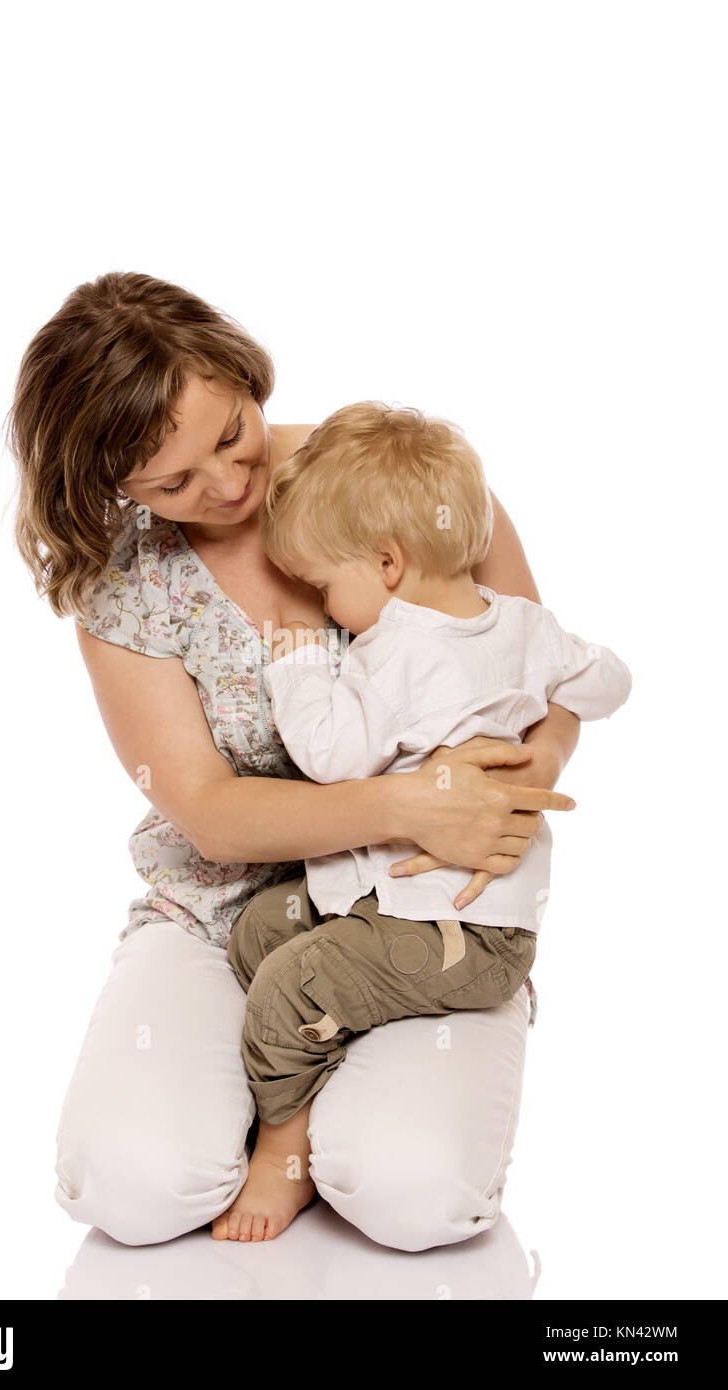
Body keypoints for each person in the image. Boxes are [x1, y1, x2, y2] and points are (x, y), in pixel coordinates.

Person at [8, 271, 581, 1251]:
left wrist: (498, 802)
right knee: (133, 1184)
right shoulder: (124, 580)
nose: (227, 486)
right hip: (226, 907)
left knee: (412, 1196)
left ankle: (317, 1104)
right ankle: (265, 1080)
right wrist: (410, 800)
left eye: (230, 435)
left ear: (242, 372)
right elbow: (210, 811)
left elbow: (545, 675)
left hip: (423, 900)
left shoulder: (397, 477)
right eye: (173, 483)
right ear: (116, 488)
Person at [224, 400, 632, 1239]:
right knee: (262, 928)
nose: (328, 610)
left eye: (327, 586)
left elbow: (330, 756)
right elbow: (611, 681)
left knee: (278, 988)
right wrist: (545, 727)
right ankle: (351, 1031)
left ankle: (281, 1153)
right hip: (436, 911)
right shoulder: (519, 624)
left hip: (457, 932)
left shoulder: (397, 652)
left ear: (387, 562)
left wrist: (300, 661)